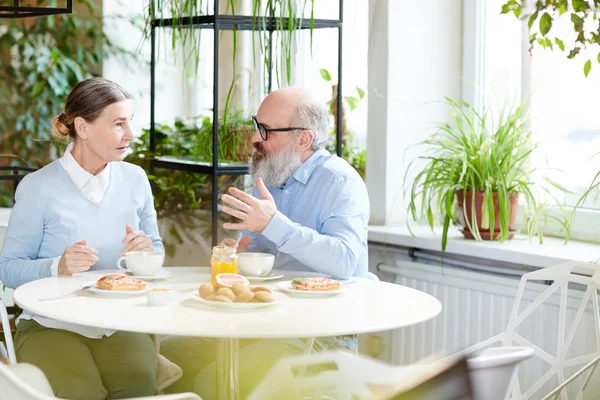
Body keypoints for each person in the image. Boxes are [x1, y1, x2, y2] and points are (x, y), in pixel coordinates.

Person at [160, 87, 370, 399]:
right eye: (257, 126)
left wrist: (274, 224)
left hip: (318, 330)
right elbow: (261, 255)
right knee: (170, 355)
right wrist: (242, 254)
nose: (255, 139)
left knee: (211, 382)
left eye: (266, 131)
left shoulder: (339, 181)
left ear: (303, 139)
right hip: (263, 317)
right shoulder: (270, 176)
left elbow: (345, 262)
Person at [0, 77, 164, 400]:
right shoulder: (37, 188)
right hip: (50, 326)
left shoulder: (135, 180)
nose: (130, 135)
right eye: (118, 124)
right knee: (82, 391)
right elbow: (7, 269)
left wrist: (147, 253)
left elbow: (157, 252)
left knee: (140, 385)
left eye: (129, 122)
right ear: (82, 127)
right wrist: (56, 266)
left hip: (115, 323)